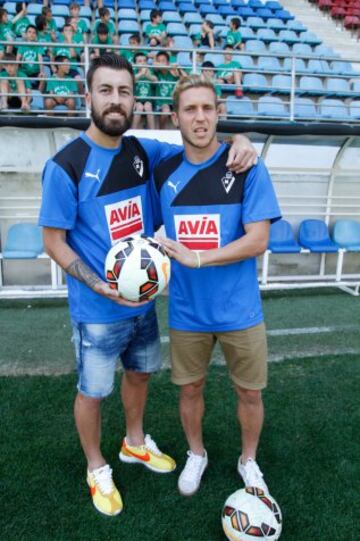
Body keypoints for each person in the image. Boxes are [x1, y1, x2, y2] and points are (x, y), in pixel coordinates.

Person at [38, 53, 257, 518]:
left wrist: (240, 137)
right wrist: (97, 285)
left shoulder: (142, 152)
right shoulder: (66, 166)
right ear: (89, 96)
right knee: (92, 392)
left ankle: (134, 443)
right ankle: (97, 466)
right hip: (98, 311)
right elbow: (53, 242)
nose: (115, 101)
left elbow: (201, 149)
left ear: (134, 100)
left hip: (142, 307)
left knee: (140, 376)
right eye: (106, 91)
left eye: (124, 91)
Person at [153, 74, 281, 498]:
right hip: (188, 310)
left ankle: (248, 460)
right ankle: (196, 453)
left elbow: (258, 240)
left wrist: (198, 256)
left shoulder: (244, 164)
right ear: (175, 117)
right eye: (190, 109)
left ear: (219, 113)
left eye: (208, 108)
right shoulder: (163, 169)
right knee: (190, 388)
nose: (200, 117)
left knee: (249, 391)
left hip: (239, 309)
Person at [132, 51, 157, 130]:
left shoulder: (150, 72)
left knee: (148, 106)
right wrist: (141, 74)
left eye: (144, 61)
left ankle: (152, 130)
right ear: (135, 63)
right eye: (139, 61)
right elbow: (131, 80)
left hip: (148, 100)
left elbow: (155, 80)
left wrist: (147, 75)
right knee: (139, 107)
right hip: (137, 100)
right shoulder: (134, 72)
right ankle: (133, 130)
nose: (142, 63)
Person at [16, 24, 44, 90]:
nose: (32, 34)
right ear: (26, 34)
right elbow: (17, 59)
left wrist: (41, 71)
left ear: (36, 35)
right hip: (24, 71)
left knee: (43, 77)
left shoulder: (38, 45)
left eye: (34, 33)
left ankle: (38, 95)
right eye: (29, 32)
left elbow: (40, 59)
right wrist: (16, 71)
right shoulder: (22, 45)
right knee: (20, 77)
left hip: (35, 72)